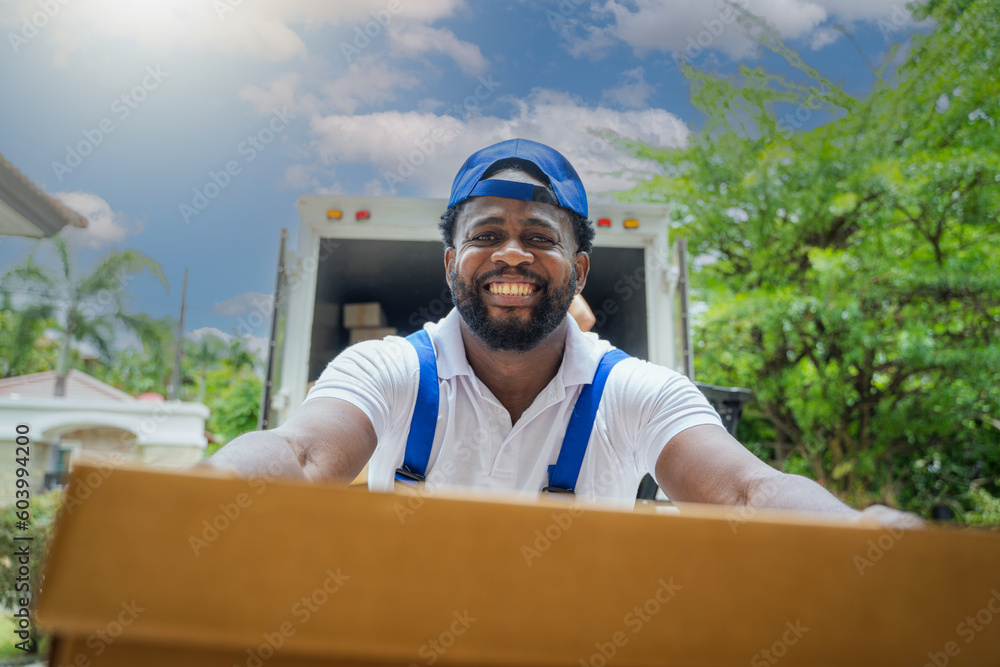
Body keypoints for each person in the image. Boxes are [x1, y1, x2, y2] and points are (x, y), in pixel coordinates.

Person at [204, 138, 917, 524]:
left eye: (537, 237)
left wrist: (865, 532)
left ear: (576, 268)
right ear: (453, 262)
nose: (512, 252)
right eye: (487, 233)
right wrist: (202, 489)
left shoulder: (636, 393)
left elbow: (746, 493)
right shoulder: (387, 372)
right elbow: (297, 456)